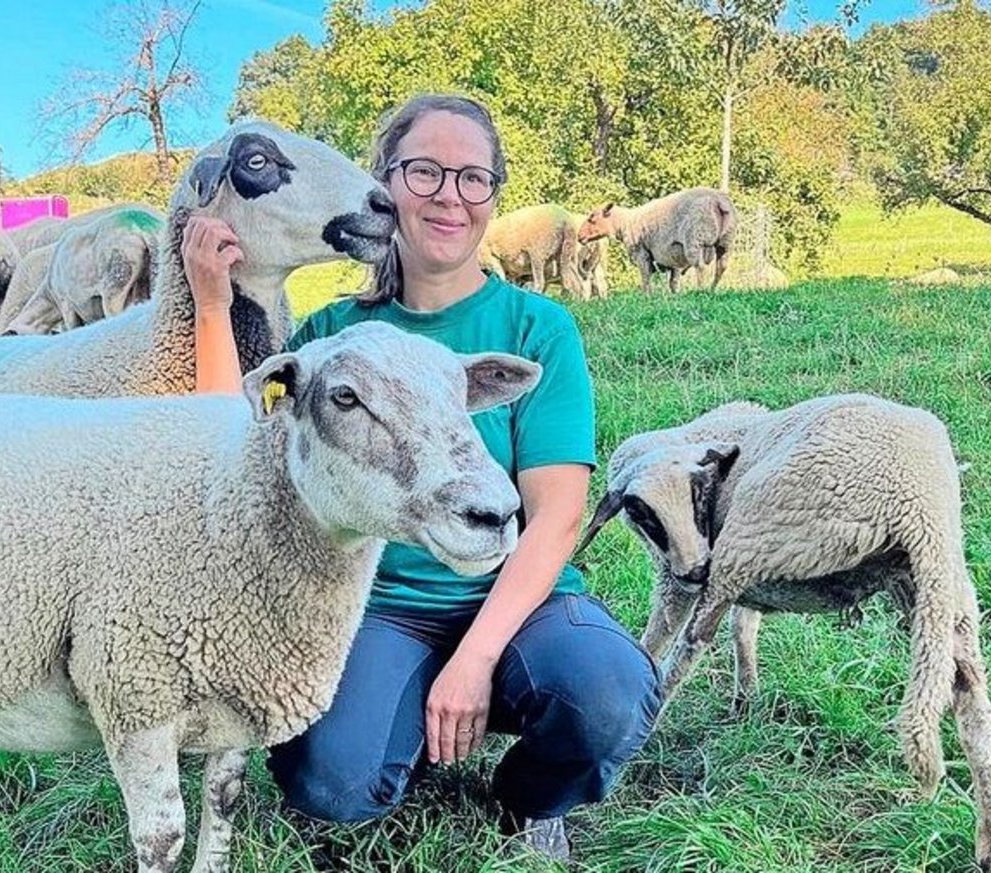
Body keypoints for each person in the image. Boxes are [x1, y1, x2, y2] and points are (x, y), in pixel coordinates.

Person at [182, 94, 660, 861]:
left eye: (473, 178)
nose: (448, 195)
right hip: (374, 607)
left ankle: (531, 797)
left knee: (607, 698)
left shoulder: (538, 328)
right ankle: (402, 721)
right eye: (426, 171)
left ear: (493, 195)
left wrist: (473, 660)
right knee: (329, 781)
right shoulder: (331, 337)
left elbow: (557, 518)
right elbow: (225, 435)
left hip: (513, 600)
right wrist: (212, 302)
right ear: (388, 183)